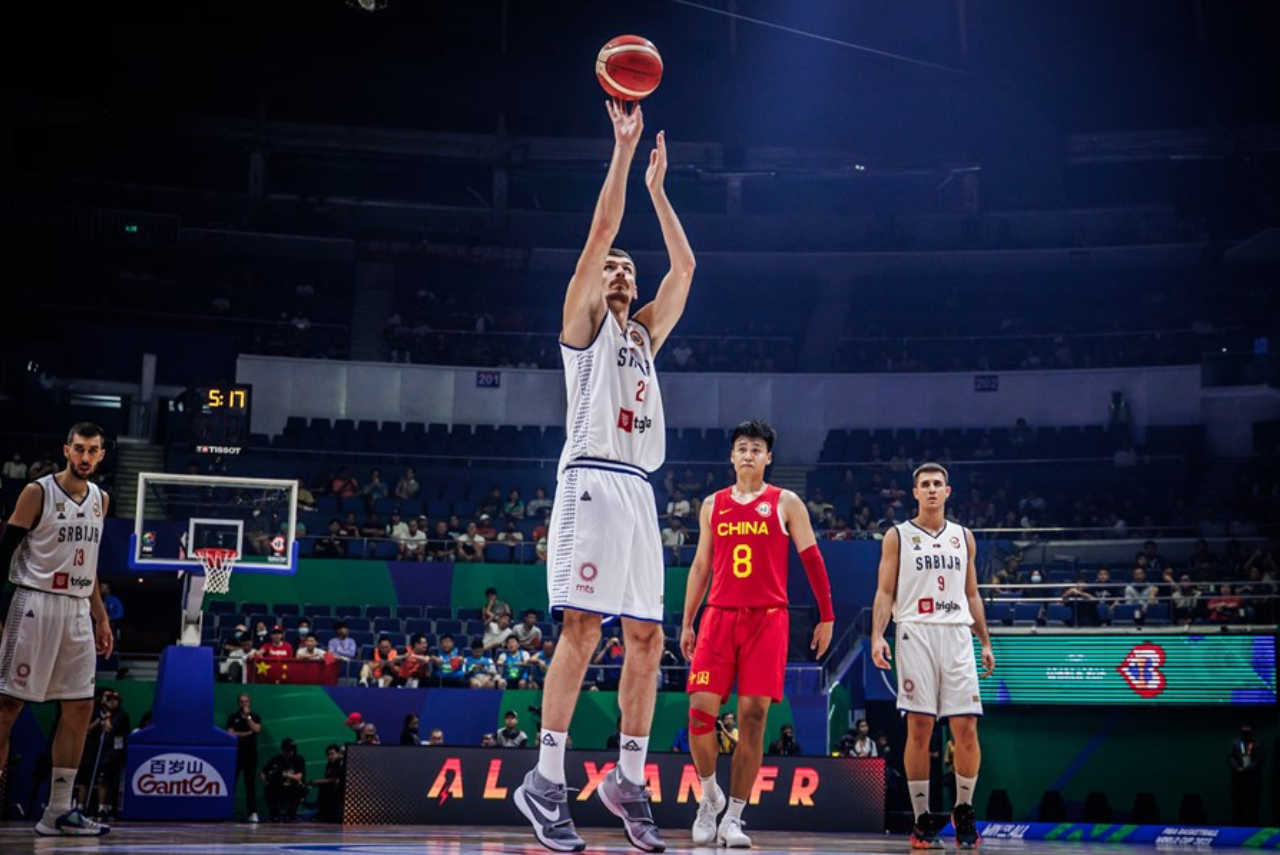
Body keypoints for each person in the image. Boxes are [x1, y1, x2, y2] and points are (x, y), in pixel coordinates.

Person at [516, 97, 696, 855]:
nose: (621, 269)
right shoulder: (582, 328)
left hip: (639, 493)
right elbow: (599, 233)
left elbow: (685, 266)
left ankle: (627, 777)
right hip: (589, 482)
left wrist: (659, 191)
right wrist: (623, 155)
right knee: (583, 630)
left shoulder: (646, 335)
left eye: (628, 266)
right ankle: (547, 781)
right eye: (612, 267)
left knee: (649, 641)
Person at [680, 420, 834, 847]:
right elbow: (700, 566)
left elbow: (813, 559)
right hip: (718, 616)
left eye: (757, 449)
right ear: (731, 456)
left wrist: (827, 616)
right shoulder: (712, 504)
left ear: (768, 458)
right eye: (742, 448)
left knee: (753, 719)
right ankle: (708, 798)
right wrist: (688, 620)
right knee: (700, 712)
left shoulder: (786, 502)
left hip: (768, 619)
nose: (748, 454)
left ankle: (734, 816)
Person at [871, 462, 994, 850]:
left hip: (957, 633)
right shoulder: (897, 536)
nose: (931, 489)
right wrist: (877, 635)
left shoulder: (964, 537)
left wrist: (985, 641)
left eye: (937, 484)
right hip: (914, 631)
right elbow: (885, 591)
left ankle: (963, 810)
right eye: (924, 484)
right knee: (920, 728)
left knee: (967, 729)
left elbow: (972, 594)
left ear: (947, 491)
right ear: (915, 492)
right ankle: (922, 817)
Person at [0, 422, 115, 836]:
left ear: (102, 455)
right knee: (7, 707)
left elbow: (88, 562)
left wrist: (101, 616)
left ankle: (59, 812)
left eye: (93, 451)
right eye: (79, 449)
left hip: (79, 609)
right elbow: (3, 554)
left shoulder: (102, 498)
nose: (85, 457)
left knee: (80, 706)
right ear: (67, 450)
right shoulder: (37, 492)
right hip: (35, 602)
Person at [226, 692, 263, 822]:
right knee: (231, 784)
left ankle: (252, 813)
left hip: (251, 756)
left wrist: (248, 717)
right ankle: (226, 811)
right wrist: (245, 734)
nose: (244, 704)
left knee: (250, 785)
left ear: (249, 703)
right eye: (242, 701)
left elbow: (256, 729)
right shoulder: (233, 717)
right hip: (235, 755)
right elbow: (230, 733)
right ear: (238, 703)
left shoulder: (255, 716)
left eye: (246, 701)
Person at [261, 737, 307, 822]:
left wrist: (287, 775)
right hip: (279, 786)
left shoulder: (299, 759)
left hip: (293, 786)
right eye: (287, 751)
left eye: (291, 750)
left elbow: (299, 776)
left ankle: (291, 815)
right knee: (269, 789)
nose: (289, 753)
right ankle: (275, 815)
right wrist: (266, 781)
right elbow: (263, 772)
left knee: (297, 789)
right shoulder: (277, 759)